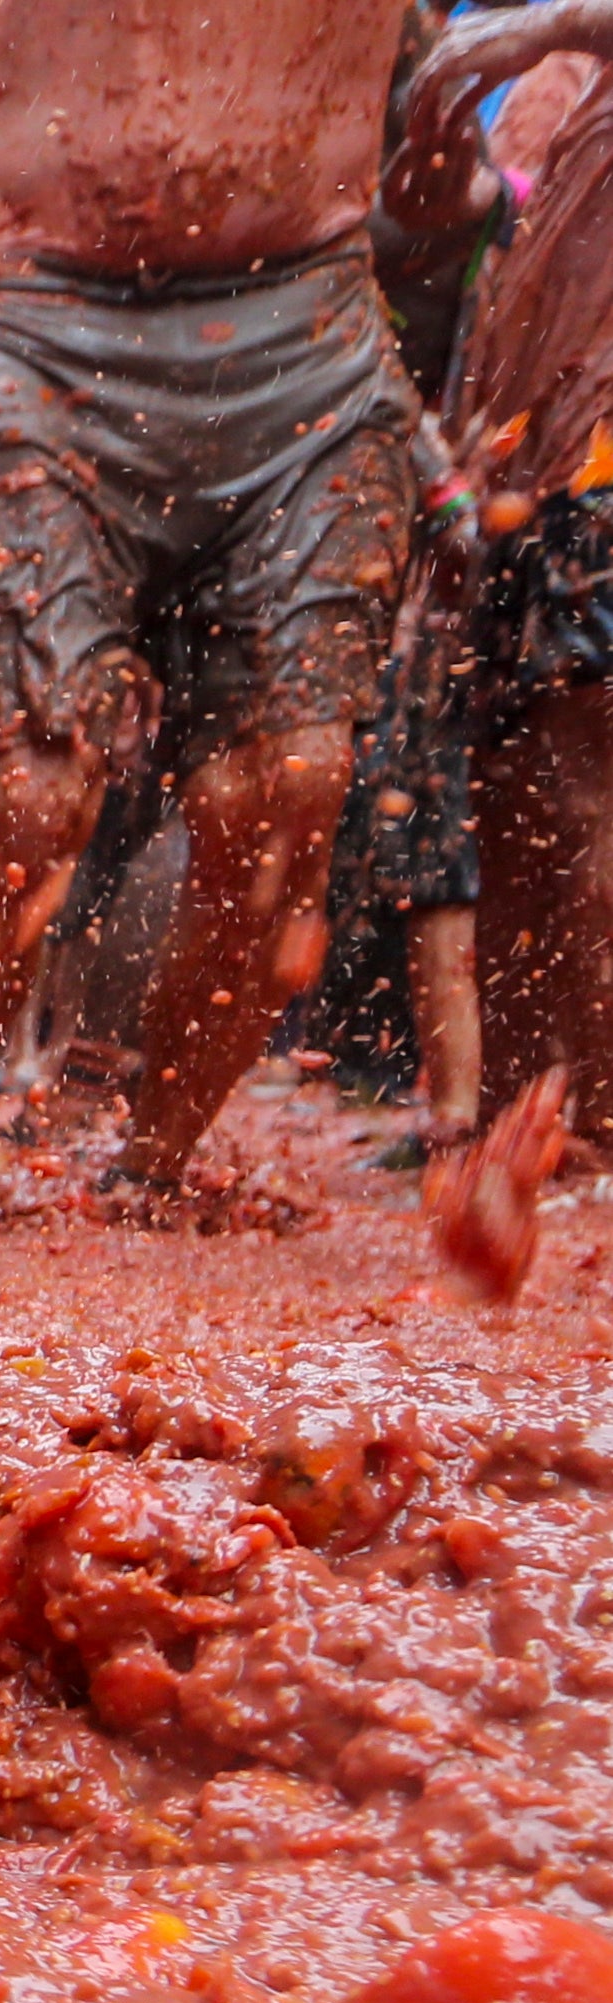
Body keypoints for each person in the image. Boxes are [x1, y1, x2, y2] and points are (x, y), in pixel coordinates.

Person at [0, 0, 430, 1208]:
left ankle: (154, 1174)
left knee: (289, 780)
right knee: (28, 793)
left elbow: (431, 193)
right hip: (27, 311)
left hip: (307, 335)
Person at [406, 1, 612, 1159]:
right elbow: (438, 227)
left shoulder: (556, 41)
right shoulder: (561, 86)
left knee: (586, 773)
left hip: (596, 452)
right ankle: (525, 1126)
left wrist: (543, 30)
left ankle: (593, 1118)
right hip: (522, 467)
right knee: (518, 793)